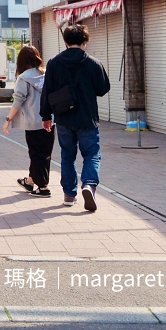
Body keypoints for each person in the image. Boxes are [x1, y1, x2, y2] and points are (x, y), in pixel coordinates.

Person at [39, 22, 110, 211]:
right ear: (85, 41)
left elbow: (47, 91)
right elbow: (103, 89)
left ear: (65, 41)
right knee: (92, 154)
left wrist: (46, 116)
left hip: (63, 118)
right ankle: (88, 185)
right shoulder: (93, 63)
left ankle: (69, 195)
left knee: (67, 156)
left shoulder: (53, 63)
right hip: (87, 118)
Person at [2, 44, 52, 196]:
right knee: (44, 153)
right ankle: (30, 181)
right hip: (49, 119)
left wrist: (8, 119)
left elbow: (18, 100)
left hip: (32, 122)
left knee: (36, 154)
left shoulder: (24, 78)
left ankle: (43, 187)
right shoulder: (47, 75)